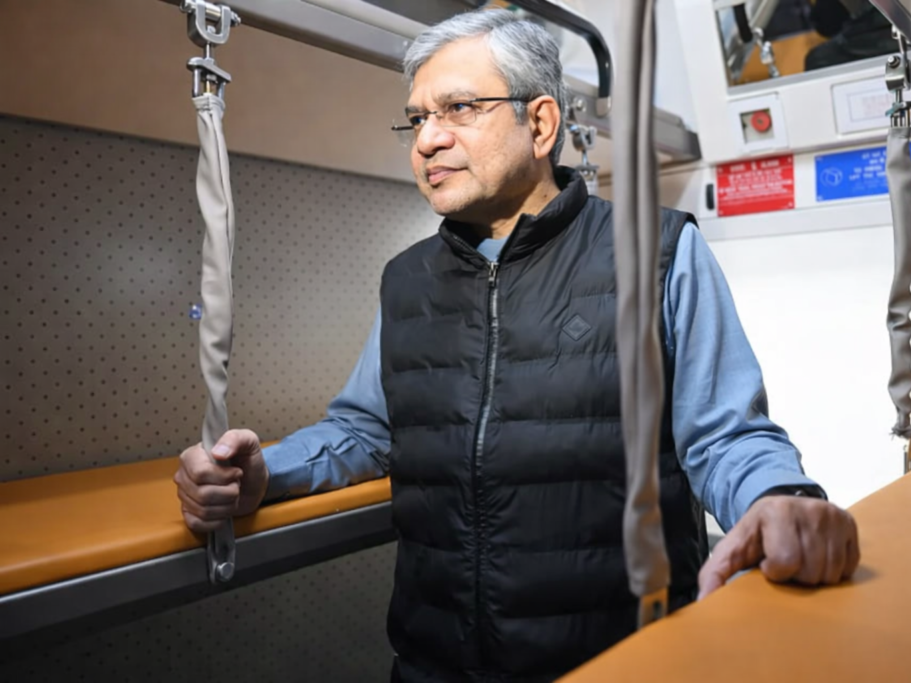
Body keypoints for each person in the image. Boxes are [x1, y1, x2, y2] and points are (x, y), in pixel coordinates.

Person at [174, 8, 860, 682]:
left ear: (539, 124)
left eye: (457, 108)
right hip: (431, 661)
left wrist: (779, 494)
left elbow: (725, 436)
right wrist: (266, 471)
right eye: (417, 118)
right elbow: (368, 429)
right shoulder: (406, 280)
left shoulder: (658, 253)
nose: (427, 140)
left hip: (621, 662)